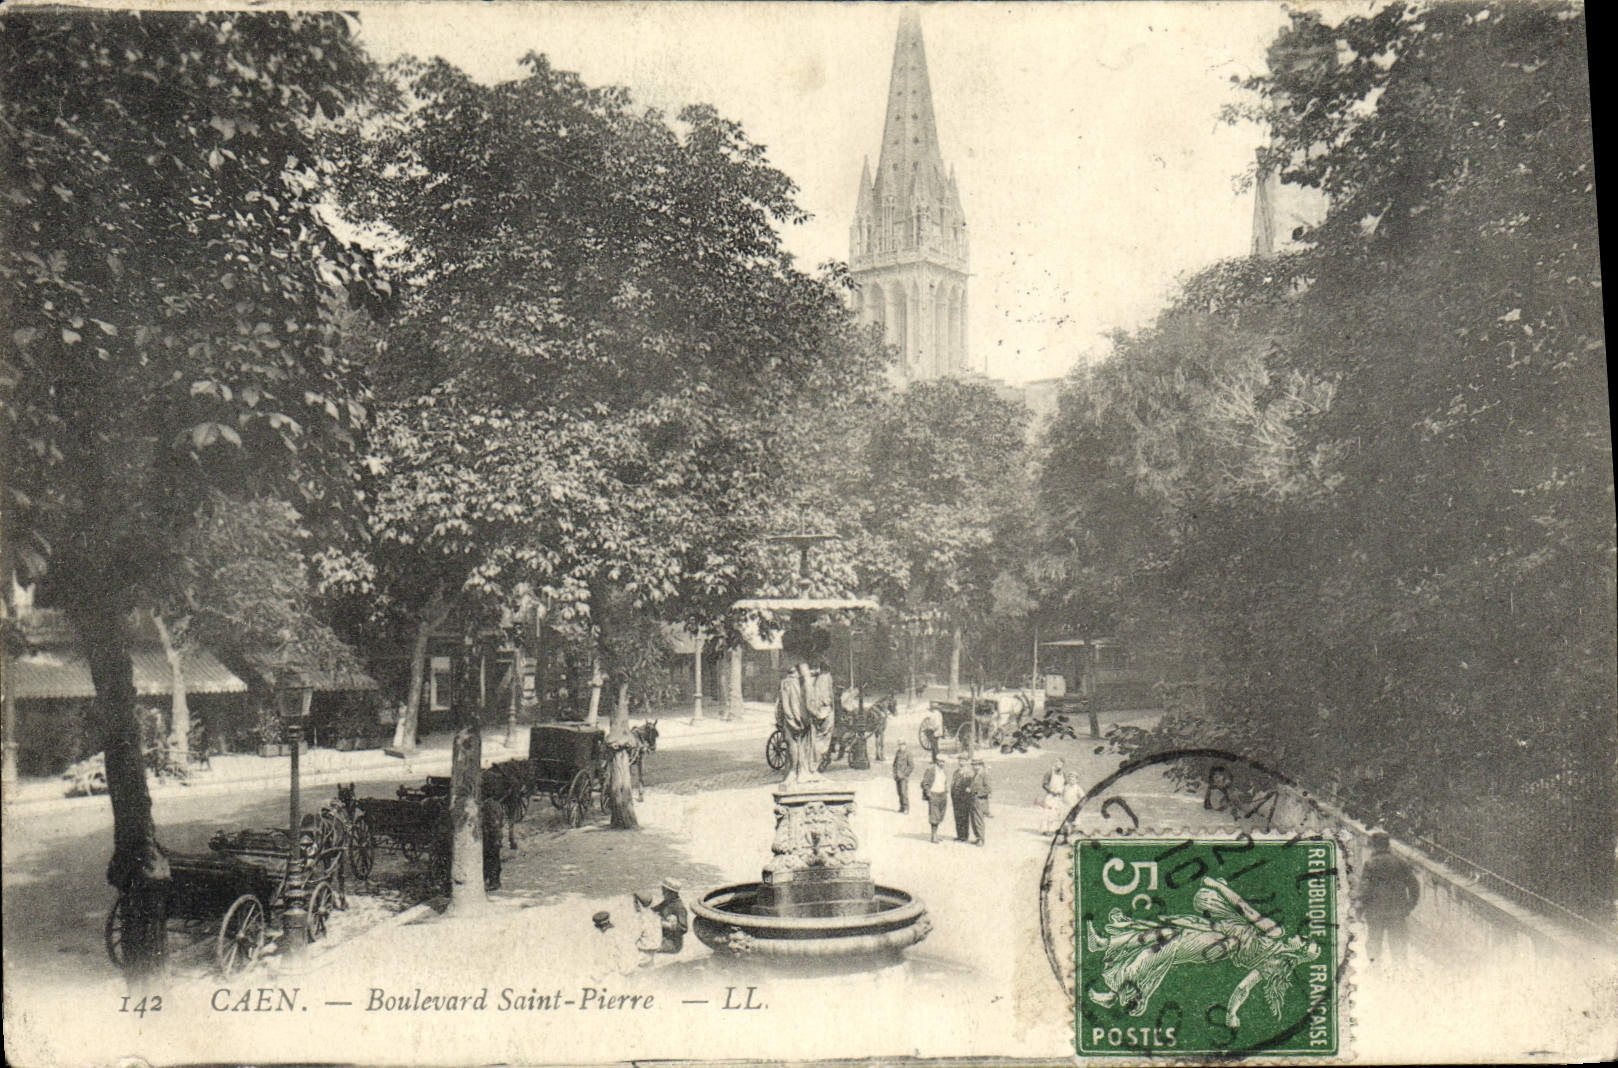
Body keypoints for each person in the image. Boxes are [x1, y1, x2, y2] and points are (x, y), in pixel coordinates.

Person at [1357, 829, 1419, 965]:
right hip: (1397, 912)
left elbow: (1364, 889)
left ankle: (1375, 971)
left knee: (1374, 943)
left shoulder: (1371, 864)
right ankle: (1400, 973)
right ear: (1388, 845)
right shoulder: (1400, 863)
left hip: (1375, 913)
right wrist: (1409, 905)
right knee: (1398, 945)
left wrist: (1359, 910)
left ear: (1374, 846)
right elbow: (1414, 885)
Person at [652, 878, 689, 955]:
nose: (662, 893)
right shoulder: (667, 902)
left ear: (672, 893)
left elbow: (683, 928)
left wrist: (664, 924)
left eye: (664, 891)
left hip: (672, 943)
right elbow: (654, 910)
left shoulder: (679, 907)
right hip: (663, 938)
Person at [920, 749, 948, 843]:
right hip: (934, 794)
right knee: (934, 816)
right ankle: (933, 836)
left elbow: (944, 782)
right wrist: (928, 793)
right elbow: (925, 783)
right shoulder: (931, 770)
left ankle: (936, 834)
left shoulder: (943, 771)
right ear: (937, 761)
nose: (942, 763)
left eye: (943, 762)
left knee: (940, 815)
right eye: (940, 761)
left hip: (942, 795)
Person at [949, 753, 975, 843]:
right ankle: (959, 835)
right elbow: (953, 784)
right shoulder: (956, 772)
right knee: (957, 816)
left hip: (964, 798)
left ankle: (964, 836)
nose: (961, 762)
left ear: (967, 761)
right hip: (956, 797)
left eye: (963, 760)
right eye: (960, 760)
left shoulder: (969, 772)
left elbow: (970, 785)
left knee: (964, 816)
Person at [1040, 759, 1067, 835]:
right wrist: (1051, 791)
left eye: (1061, 764)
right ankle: (1044, 830)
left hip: (1059, 796)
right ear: (1055, 763)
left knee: (1055, 813)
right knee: (1047, 812)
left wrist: (1063, 791)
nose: (1059, 765)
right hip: (1050, 796)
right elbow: (1044, 784)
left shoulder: (1063, 774)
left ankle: (1052, 830)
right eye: (1058, 763)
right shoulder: (1049, 772)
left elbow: (1066, 784)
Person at [970, 758, 991, 846]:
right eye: (974, 765)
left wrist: (978, 793)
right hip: (973, 800)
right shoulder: (975, 774)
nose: (975, 767)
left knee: (979, 820)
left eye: (977, 765)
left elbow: (988, 789)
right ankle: (977, 837)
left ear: (981, 765)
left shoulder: (984, 775)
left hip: (980, 800)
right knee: (973, 820)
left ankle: (981, 839)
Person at [892, 741, 915, 814]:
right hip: (897, 776)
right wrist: (894, 773)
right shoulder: (897, 753)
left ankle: (906, 808)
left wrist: (905, 774)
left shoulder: (908, 753)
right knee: (899, 792)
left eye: (902, 745)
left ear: (905, 745)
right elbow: (894, 764)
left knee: (903, 792)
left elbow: (911, 766)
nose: (900, 747)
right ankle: (901, 807)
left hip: (904, 777)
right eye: (899, 745)